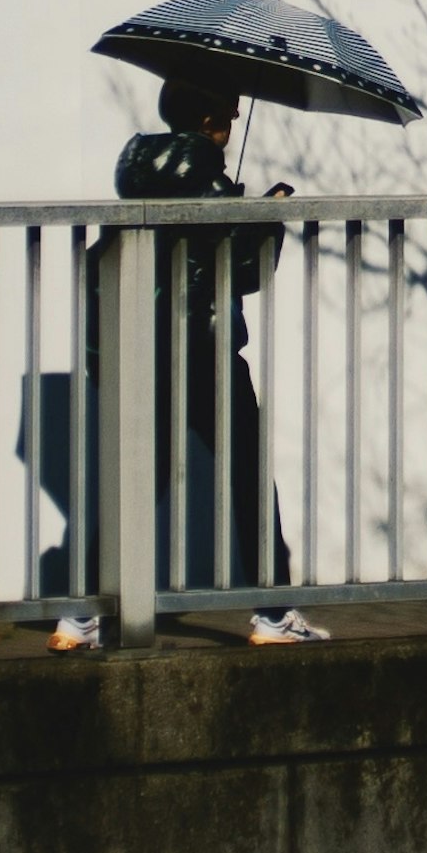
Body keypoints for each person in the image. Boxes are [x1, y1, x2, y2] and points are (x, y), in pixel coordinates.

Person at [110, 71, 286, 594]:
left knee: (138, 482)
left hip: (147, 343)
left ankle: (84, 613)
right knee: (250, 474)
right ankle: (272, 610)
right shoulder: (204, 172)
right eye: (230, 110)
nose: (236, 118)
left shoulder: (141, 170)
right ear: (210, 119)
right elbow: (245, 271)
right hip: (207, 346)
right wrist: (269, 217)